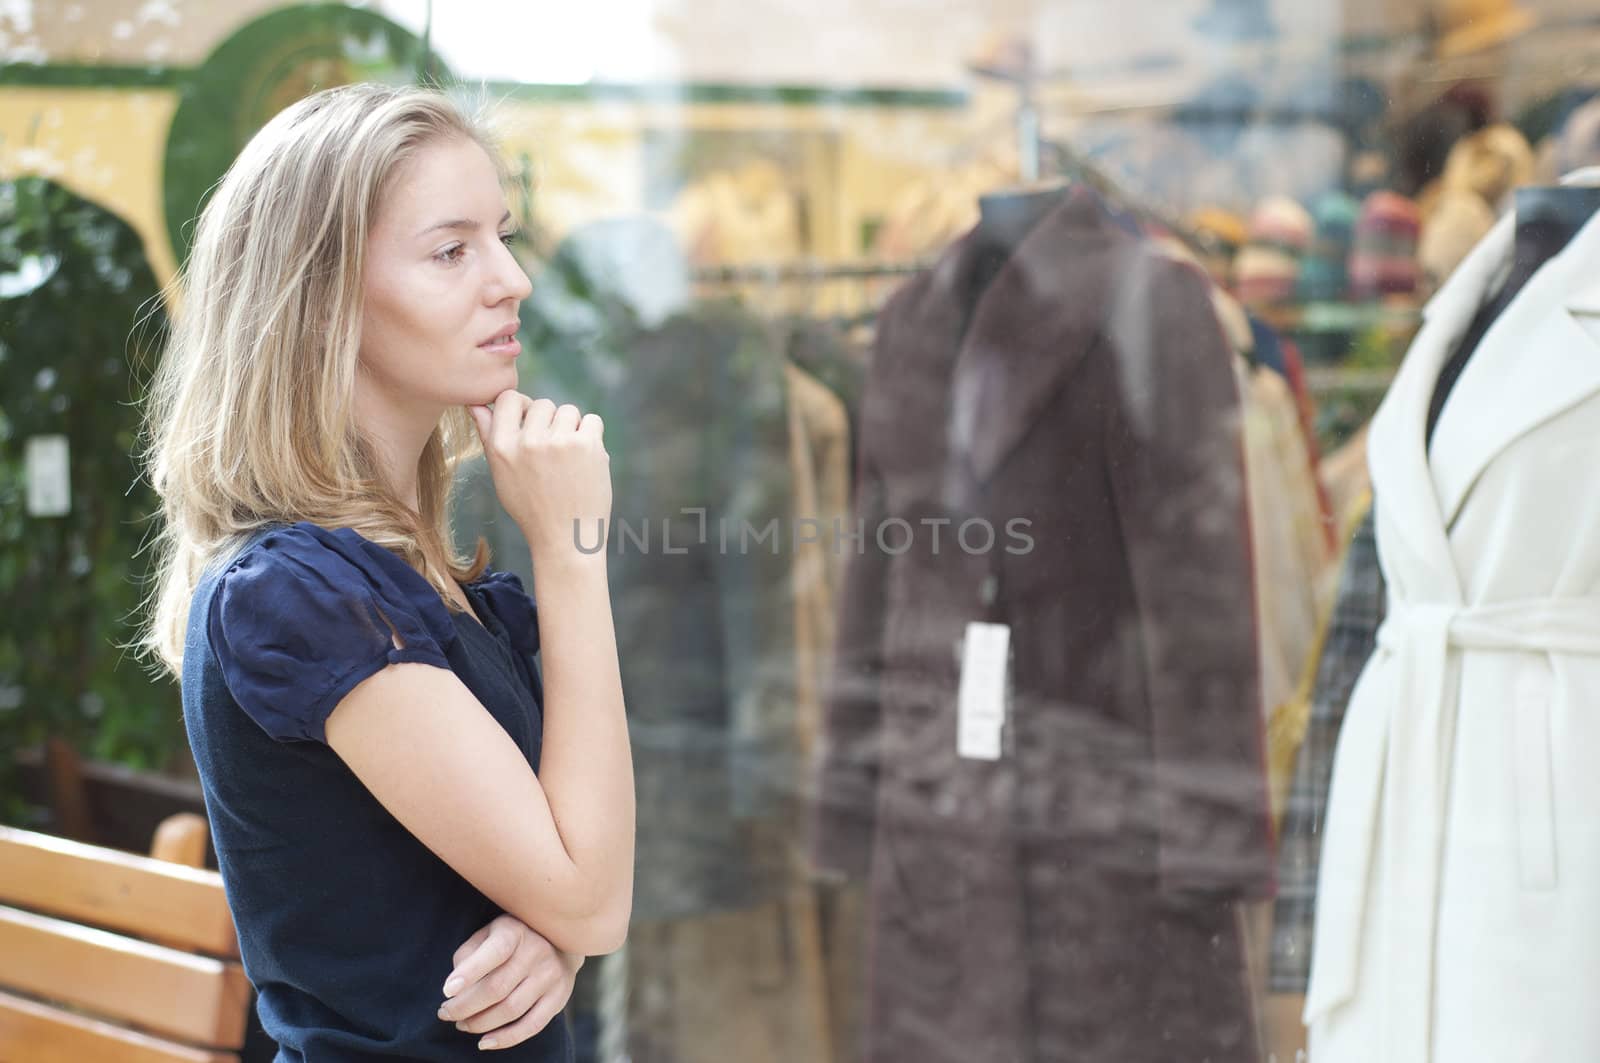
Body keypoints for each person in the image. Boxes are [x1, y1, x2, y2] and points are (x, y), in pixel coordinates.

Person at [135, 82, 634, 1060]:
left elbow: (587, 862)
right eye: (452, 251)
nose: (510, 280)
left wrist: (553, 931)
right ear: (320, 302)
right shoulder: (297, 596)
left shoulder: (427, 586)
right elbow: (594, 891)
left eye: (502, 235)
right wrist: (573, 556)